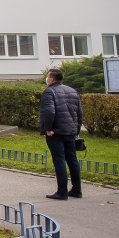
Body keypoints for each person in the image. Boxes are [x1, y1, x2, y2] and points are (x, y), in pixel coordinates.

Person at [39, 68, 83, 200]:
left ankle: (62, 191)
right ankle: (77, 190)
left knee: (59, 160)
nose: (47, 79)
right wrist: (76, 130)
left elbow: (49, 112)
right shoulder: (72, 91)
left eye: (48, 77)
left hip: (55, 132)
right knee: (72, 159)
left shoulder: (49, 91)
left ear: (51, 79)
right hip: (70, 131)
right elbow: (79, 113)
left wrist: (48, 129)